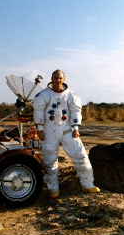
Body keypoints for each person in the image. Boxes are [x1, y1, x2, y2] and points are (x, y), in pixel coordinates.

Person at [33, 70, 100, 198]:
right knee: (50, 161)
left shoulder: (71, 95)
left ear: (63, 79)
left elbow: (75, 111)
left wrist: (75, 128)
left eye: (60, 78)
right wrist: (40, 129)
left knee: (80, 156)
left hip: (67, 130)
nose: (58, 81)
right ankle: (53, 189)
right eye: (55, 78)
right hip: (49, 131)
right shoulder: (43, 95)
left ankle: (87, 184)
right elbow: (39, 112)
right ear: (51, 79)